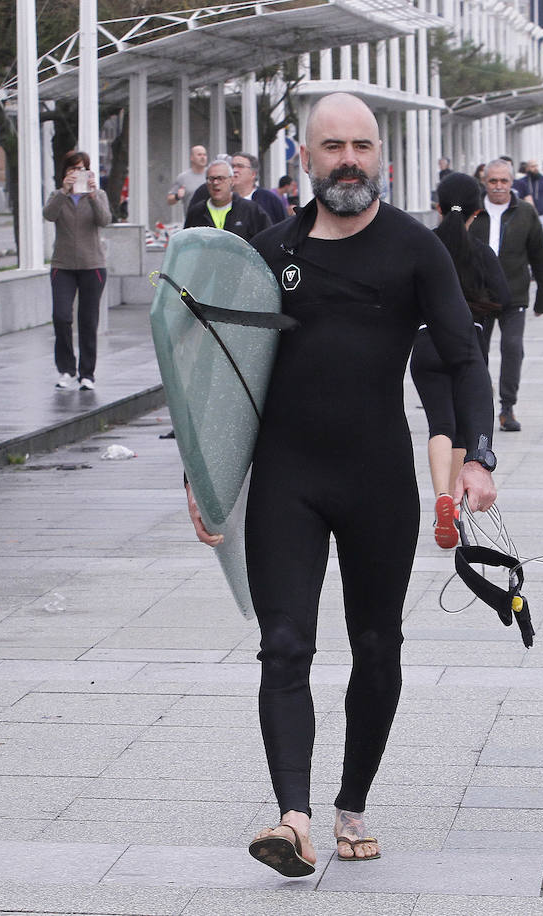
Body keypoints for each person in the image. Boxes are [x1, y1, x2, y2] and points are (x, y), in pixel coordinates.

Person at [186, 92, 495, 876]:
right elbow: (223, 372)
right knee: (283, 645)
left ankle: (352, 799)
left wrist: (479, 456)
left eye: (361, 145)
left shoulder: (416, 248)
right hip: (287, 476)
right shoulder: (269, 247)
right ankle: (292, 818)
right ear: (306, 158)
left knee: (377, 644)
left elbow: (461, 357)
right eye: (333, 146)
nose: (348, 159)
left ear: (381, 157)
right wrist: (202, 468)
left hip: (377, 478)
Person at [411, 172, 508, 549]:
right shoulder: (480, 252)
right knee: (465, 432)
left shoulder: (423, 247)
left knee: (440, 423)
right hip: (468, 346)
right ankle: (454, 501)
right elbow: (504, 296)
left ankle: (441, 496)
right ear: (477, 211)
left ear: (437, 207)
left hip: (425, 343)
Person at [469, 158, 543, 433]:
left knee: (512, 347)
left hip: (514, 294)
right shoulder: (472, 211)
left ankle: (507, 406)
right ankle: (480, 399)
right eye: (493, 181)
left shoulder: (525, 213)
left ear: (512, 182)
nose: (498, 186)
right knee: (477, 351)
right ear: (484, 182)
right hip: (479, 295)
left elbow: (540, 257)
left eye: (504, 181)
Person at [43, 150, 111, 392]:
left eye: (81, 169)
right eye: (72, 169)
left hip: (92, 265)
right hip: (63, 266)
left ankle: (87, 373)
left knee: (88, 320)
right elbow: (48, 215)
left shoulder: (97, 195)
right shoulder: (56, 196)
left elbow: (104, 220)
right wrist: (63, 192)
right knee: (61, 317)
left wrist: (92, 194)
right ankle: (66, 369)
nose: (76, 174)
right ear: (65, 173)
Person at [183, 160, 268, 240]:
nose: (215, 183)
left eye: (220, 178)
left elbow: (266, 241)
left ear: (231, 181)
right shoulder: (196, 213)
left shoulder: (251, 210)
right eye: (211, 179)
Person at [230, 151, 288, 225]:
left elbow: (285, 227)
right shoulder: (222, 199)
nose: (234, 170)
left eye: (240, 166)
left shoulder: (269, 200)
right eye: (232, 166)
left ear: (253, 174)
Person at [512, 159, 543, 242]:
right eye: (532, 166)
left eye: (536, 166)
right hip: (527, 216)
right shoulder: (522, 182)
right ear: (527, 168)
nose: (535, 168)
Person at [165, 144, 208, 214]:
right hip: (192, 220)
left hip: (212, 220)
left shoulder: (212, 174)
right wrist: (177, 196)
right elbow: (169, 200)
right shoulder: (183, 178)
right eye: (199, 155)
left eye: (205, 155)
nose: (203, 157)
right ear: (191, 158)